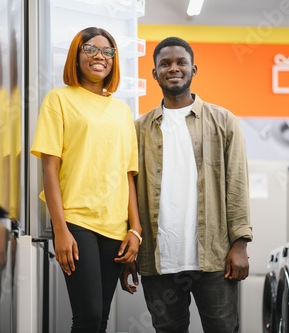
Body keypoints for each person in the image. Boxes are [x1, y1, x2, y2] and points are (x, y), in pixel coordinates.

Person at [120, 36, 253, 333]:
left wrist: (240, 243)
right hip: (158, 257)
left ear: (194, 69)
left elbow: (238, 184)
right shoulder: (138, 129)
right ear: (154, 73)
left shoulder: (224, 121)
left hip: (215, 258)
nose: (173, 68)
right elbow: (125, 190)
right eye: (164, 64)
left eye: (181, 62)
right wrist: (129, 250)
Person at [31, 27, 142, 333]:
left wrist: (136, 229)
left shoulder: (122, 111)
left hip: (115, 227)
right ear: (76, 55)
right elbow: (49, 169)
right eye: (90, 49)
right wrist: (60, 229)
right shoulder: (59, 99)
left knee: (101, 319)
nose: (99, 57)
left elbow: (128, 175)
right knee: (88, 316)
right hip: (77, 221)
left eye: (108, 51)